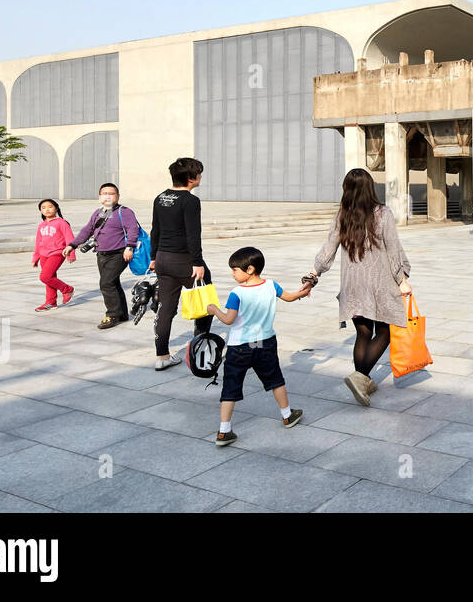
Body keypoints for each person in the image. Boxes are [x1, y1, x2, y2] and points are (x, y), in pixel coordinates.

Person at [302, 168, 413, 406]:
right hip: (379, 284)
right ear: (370, 187)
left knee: (363, 333)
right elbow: (393, 249)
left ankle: (361, 380)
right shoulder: (382, 213)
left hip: (352, 286)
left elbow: (327, 249)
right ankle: (360, 378)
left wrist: (314, 273)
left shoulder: (342, 215)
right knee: (385, 332)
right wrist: (402, 279)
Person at [205, 246, 309, 446]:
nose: (232, 273)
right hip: (265, 343)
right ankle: (287, 415)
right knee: (275, 379)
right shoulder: (271, 285)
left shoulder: (237, 293)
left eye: (235, 269)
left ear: (250, 269)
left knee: (231, 385)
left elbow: (228, 319)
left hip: (239, 347)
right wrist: (303, 292)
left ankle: (224, 431)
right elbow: (289, 297)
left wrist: (214, 310)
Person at [148, 157, 213, 371]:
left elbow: (154, 230)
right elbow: (194, 235)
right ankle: (201, 347)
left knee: (165, 309)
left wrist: (153, 258)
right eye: (199, 173)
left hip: (163, 259)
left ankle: (162, 356)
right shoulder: (190, 201)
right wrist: (197, 261)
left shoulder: (160, 197)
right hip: (183, 259)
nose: (201, 177)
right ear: (191, 178)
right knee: (205, 300)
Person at [64, 183, 141, 329]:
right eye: (104, 193)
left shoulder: (124, 212)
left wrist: (129, 247)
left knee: (106, 283)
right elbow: (87, 230)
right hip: (101, 253)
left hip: (119, 253)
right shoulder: (97, 212)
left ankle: (112, 315)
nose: (107, 196)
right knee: (113, 283)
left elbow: (132, 230)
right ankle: (122, 314)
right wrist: (72, 245)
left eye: (111, 193)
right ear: (99, 196)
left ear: (117, 196)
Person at [32, 199, 76, 311]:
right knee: (50, 278)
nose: (47, 209)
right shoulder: (41, 225)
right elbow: (38, 242)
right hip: (43, 255)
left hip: (57, 253)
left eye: (50, 206)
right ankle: (51, 302)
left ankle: (67, 289)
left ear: (56, 208)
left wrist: (70, 255)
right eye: (43, 207)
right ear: (40, 211)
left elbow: (69, 238)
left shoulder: (61, 222)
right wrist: (35, 258)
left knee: (45, 277)